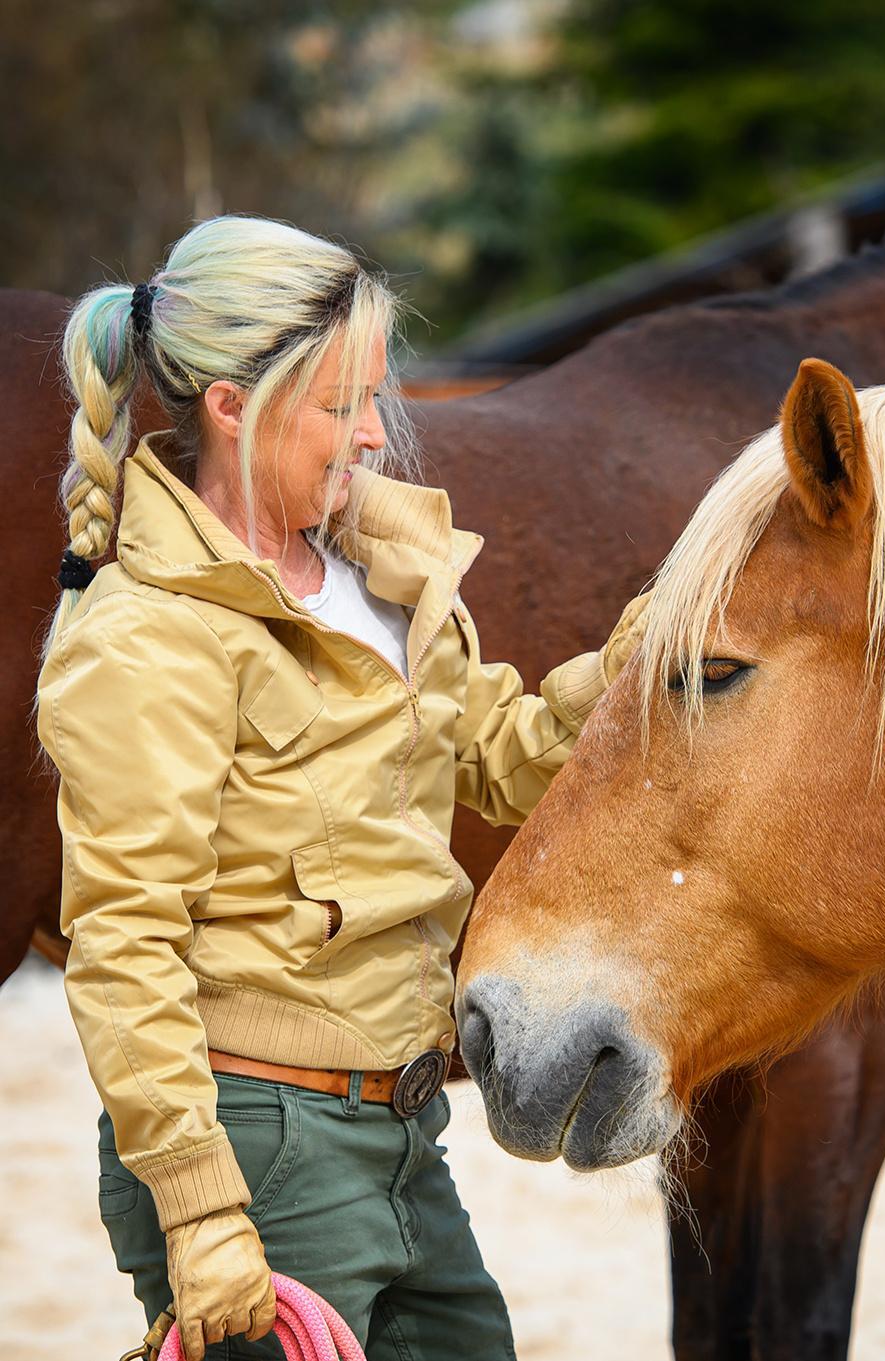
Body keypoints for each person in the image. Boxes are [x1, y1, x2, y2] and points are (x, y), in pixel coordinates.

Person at [34, 215, 647, 1361]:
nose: (372, 433)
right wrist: (201, 1204)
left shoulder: (375, 573)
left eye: (372, 398)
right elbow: (125, 942)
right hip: (257, 1135)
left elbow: (505, 757)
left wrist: (631, 672)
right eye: (339, 404)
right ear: (232, 404)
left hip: (404, 1122)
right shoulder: (148, 637)